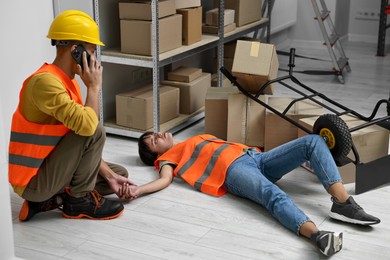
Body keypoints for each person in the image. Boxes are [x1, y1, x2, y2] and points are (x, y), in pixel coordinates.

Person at [135, 132, 381, 257]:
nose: (158, 135)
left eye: (154, 133)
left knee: (313, 142)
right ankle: (317, 236)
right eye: (153, 141)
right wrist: (137, 190)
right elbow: (165, 180)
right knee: (272, 195)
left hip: (256, 158)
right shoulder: (168, 159)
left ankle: (343, 203)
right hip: (234, 171)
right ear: (156, 156)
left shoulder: (191, 139)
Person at [8, 10, 135, 222]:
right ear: (76, 51)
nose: (94, 59)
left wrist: (111, 176)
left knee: (117, 173)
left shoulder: (67, 82)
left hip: (49, 167)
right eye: (92, 52)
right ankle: (77, 201)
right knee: (95, 129)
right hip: (33, 180)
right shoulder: (45, 83)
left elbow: (79, 136)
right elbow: (88, 129)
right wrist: (94, 88)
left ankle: (52, 199)